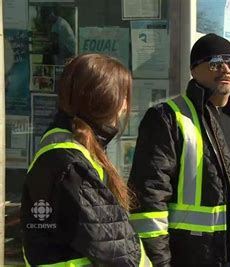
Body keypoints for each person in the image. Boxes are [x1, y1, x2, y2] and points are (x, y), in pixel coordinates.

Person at [128, 33, 230, 266]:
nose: (225, 68)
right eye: (215, 62)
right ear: (194, 70)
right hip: (189, 259)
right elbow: (149, 199)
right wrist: (158, 261)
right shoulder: (168, 118)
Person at [21, 54, 151, 266]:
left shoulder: (67, 149)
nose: (126, 107)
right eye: (123, 97)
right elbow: (117, 253)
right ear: (106, 99)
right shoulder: (71, 163)